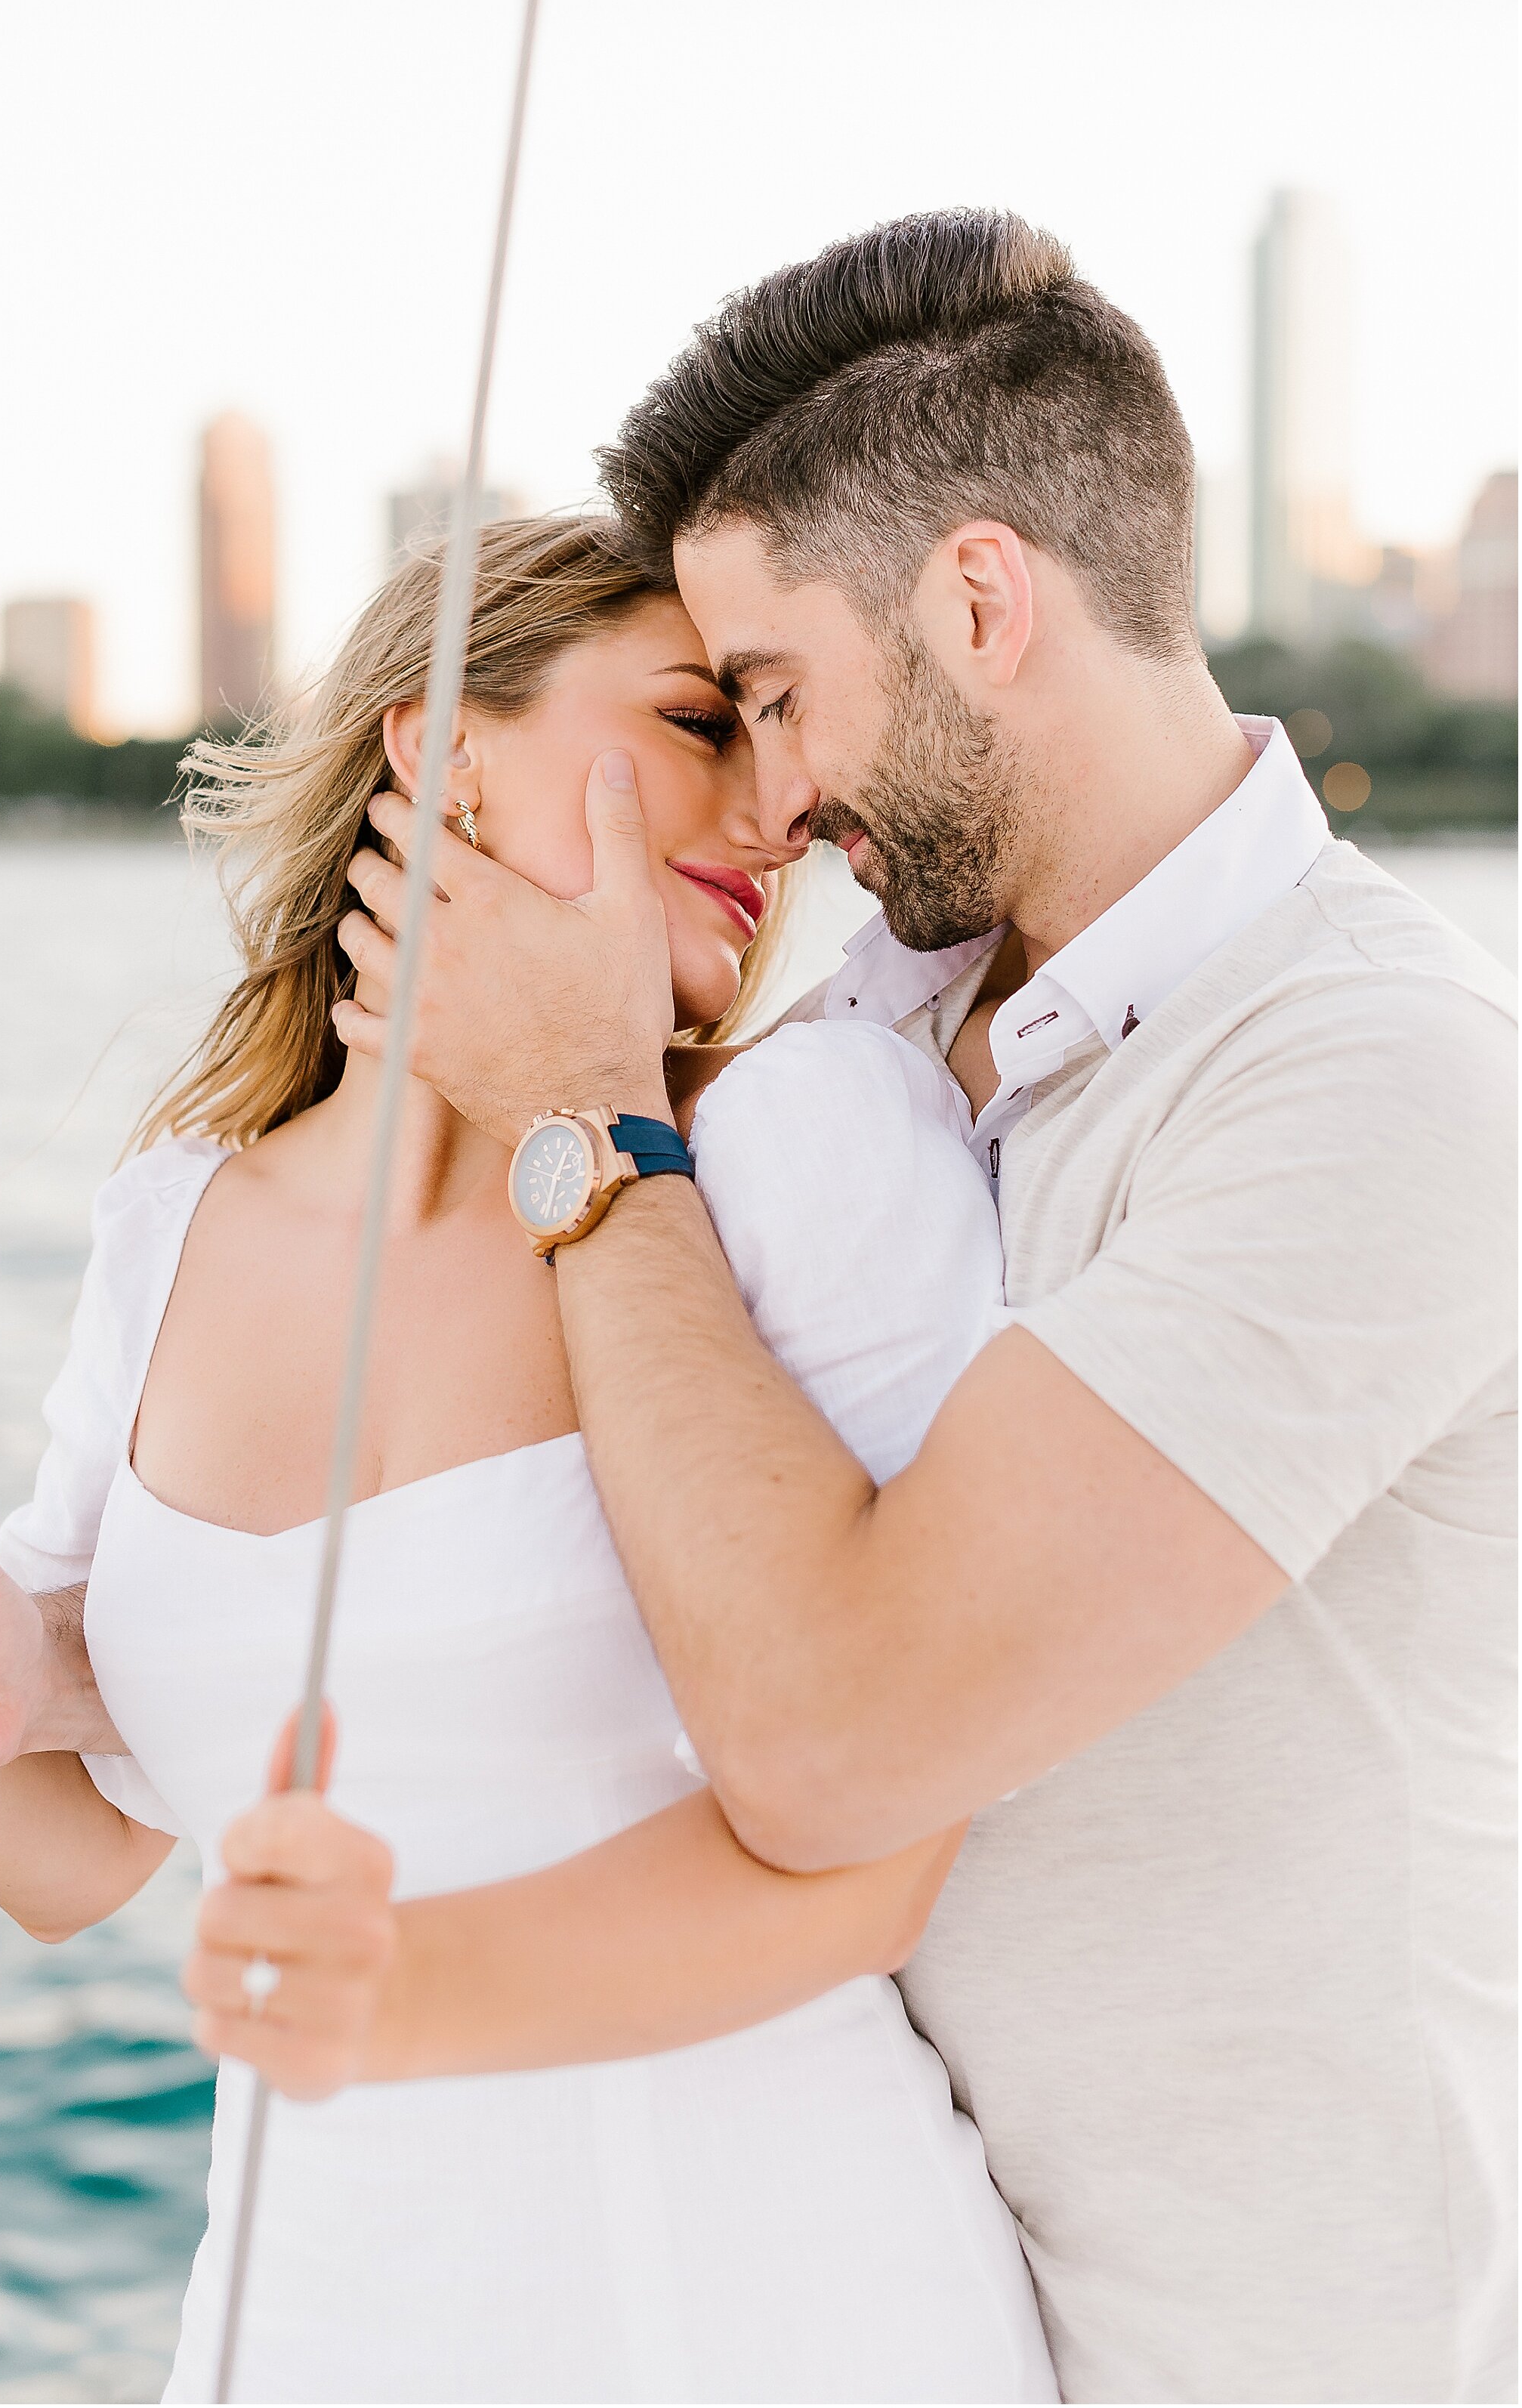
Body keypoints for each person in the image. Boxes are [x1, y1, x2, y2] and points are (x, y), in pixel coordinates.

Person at [326, 214, 1518, 2403]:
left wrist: (586, 1107)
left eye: (773, 693)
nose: (770, 800)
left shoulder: (1376, 1079)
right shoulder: (863, 1022)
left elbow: (828, 1743)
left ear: (977, 600)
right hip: (881, 2314)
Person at [0, 515, 1055, 2405]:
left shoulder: (802, 1148)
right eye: (702, 717)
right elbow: (68, 1858)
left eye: (777, 734)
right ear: (438, 742)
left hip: (764, 2312)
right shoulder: (174, 1223)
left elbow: (874, 1856)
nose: (782, 807)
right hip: (307, 2327)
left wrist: (399, 1996)